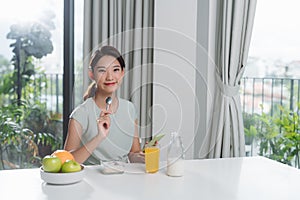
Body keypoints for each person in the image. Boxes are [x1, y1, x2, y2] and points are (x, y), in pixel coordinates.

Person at [64, 45, 144, 164]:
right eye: (102, 70)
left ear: (122, 72)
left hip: (123, 178)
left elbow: (133, 154)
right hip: (91, 180)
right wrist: (99, 137)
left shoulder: (130, 109)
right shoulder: (80, 114)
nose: (110, 77)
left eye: (115, 70)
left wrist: (146, 156)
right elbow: (67, 161)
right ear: (92, 74)